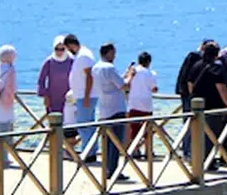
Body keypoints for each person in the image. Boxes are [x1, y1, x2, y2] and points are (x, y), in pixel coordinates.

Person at [190, 42, 227, 168]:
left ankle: (196, 160)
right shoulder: (216, 67)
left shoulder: (196, 65)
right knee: (212, 134)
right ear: (217, 54)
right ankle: (208, 162)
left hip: (197, 105)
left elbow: (190, 83)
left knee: (198, 134)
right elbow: (221, 87)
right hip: (213, 105)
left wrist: (194, 96)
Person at [92, 43, 129, 181]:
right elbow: (123, 85)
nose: (115, 56)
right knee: (116, 142)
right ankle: (113, 171)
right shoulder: (110, 67)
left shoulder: (96, 67)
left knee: (107, 142)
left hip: (104, 108)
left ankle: (107, 169)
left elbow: (113, 83)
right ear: (107, 53)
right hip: (116, 108)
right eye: (113, 53)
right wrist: (130, 76)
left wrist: (124, 75)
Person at [175, 40, 212, 159]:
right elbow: (188, 77)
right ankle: (187, 152)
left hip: (191, 95)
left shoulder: (197, 58)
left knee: (191, 122)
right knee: (189, 122)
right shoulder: (194, 56)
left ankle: (191, 151)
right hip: (189, 95)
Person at [63, 34, 96, 160]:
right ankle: (90, 151)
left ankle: (88, 152)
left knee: (84, 126)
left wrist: (87, 96)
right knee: (87, 125)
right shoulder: (82, 55)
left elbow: (89, 76)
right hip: (82, 95)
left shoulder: (83, 56)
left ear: (71, 45)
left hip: (85, 96)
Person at [125, 51, 158, 152]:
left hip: (133, 104)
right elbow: (154, 89)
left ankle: (135, 151)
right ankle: (148, 151)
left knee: (134, 129)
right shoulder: (150, 73)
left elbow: (126, 84)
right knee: (147, 130)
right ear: (149, 62)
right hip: (146, 105)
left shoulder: (132, 72)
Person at [37, 36, 73, 118]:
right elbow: (41, 80)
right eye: (57, 49)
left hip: (68, 97)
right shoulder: (49, 61)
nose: (59, 52)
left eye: (62, 49)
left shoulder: (71, 61)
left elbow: (77, 78)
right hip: (52, 98)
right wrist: (45, 96)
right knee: (54, 123)